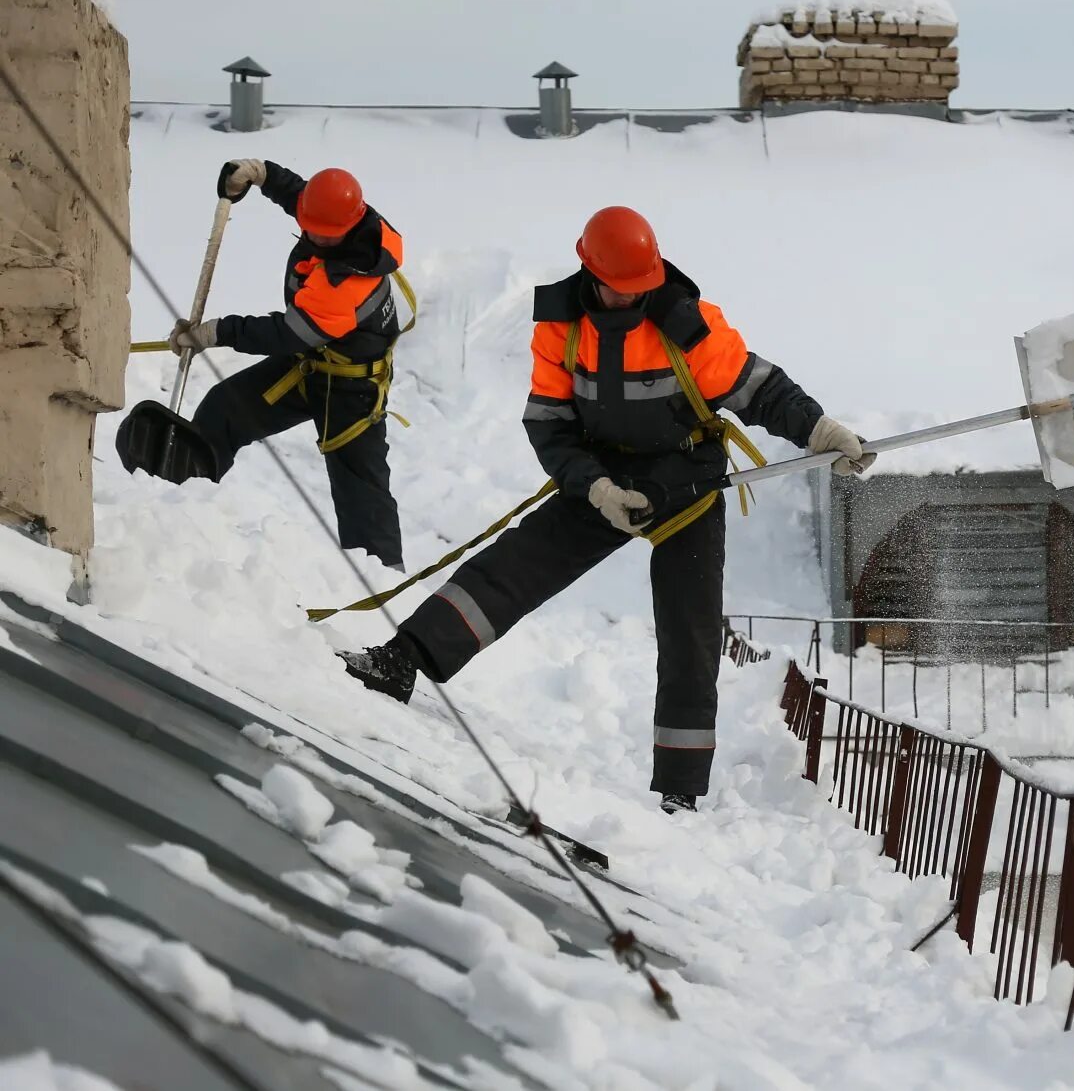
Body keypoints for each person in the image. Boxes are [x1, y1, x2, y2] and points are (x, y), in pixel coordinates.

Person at [340, 205, 873, 815]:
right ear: (590, 274)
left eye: (640, 289)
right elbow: (549, 424)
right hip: (603, 479)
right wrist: (594, 488)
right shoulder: (561, 327)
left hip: (686, 484)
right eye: (621, 290)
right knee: (516, 565)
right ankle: (405, 658)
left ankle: (680, 788)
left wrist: (819, 430)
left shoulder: (687, 323)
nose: (632, 299)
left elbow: (760, 390)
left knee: (690, 632)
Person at [167, 159, 409, 568]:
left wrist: (217, 332)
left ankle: (385, 583)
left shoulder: (345, 282)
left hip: (350, 389)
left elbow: (286, 334)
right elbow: (301, 196)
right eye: (310, 225)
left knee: (361, 494)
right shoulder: (344, 216)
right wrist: (261, 173)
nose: (313, 235)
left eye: (323, 234)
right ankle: (177, 511)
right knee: (223, 410)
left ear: (347, 228)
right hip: (311, 363)